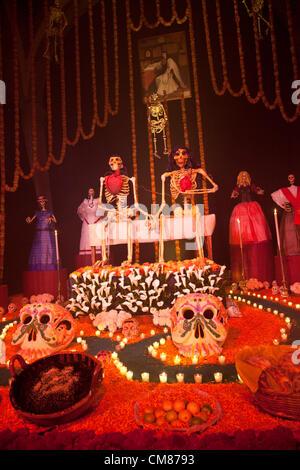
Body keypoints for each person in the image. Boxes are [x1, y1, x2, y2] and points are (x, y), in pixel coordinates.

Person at [229, 171, 273, 282]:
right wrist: (234, 193)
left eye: (245, 176)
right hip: (241, 209)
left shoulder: (251, 186)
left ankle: (254, 238)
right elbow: (233, 195)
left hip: (252, 207)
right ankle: (246, 237)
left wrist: (260, 191)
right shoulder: (238, 187)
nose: (244, 178)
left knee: (256, 226)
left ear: (247, 177)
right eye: (242, 176)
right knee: (244, 227)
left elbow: (257, 190)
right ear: (239, 178)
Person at [271, 174, 300, 256]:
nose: (291, 179)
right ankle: (292, 252)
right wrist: (283, 206)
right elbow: (274, 196)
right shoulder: (284, 190)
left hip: (298, 212)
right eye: (289, 178)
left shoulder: (299, 189)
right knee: (289, 232)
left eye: (292, 177)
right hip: (289, 213)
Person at [26, 195, 57, 271]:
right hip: (40, 234)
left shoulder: (49, 212)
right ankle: (40, 266)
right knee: (40, 250)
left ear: (45, 202)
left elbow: (55, 220)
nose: (41, 203)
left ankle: (49, 265)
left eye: (43, 201)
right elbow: (30, 221)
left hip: (47, 233)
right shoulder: (37, 213)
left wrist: (50, 218)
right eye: (40, 202)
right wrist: (28, 220)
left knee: (48, 248)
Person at [77, 188, 101, 256]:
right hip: (87, 222)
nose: (91, 192)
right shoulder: (85, 201)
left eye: (92, 190)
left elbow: (102, 209)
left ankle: (98, 254)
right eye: (89, 190)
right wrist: (82, 212)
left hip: (96, 221)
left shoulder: (98, 200)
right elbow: (80, 210)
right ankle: (88, 254)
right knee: (87, 237)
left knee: (97, 237)